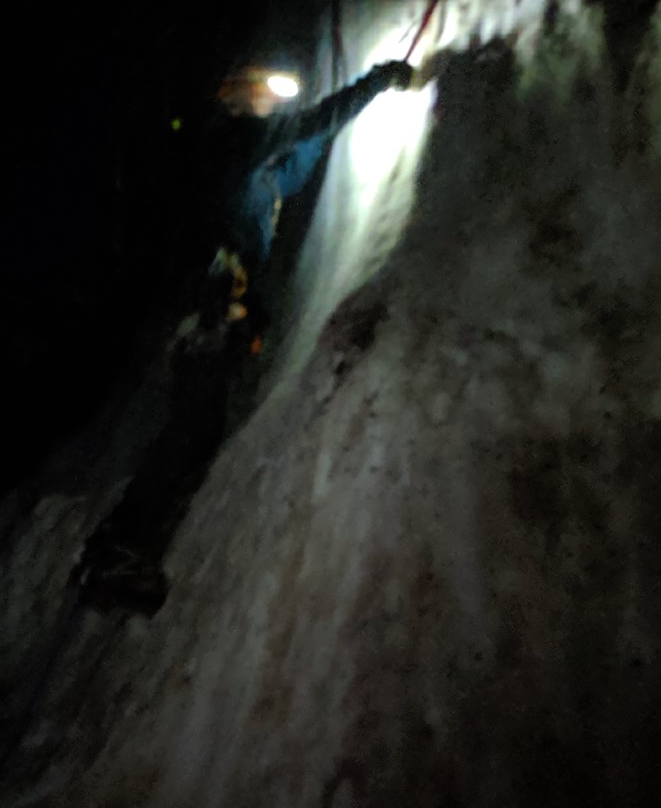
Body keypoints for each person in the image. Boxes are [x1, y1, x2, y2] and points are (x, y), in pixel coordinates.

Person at [71, 58, 415, 614]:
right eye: (260, 94)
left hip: (210, 303)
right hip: (206, 299)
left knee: (198, 425)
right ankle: (117, 547)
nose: (269, 103)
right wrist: (377, 81)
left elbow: (299, 156)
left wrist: (336, 121)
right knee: (192, 426)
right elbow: (307, 125)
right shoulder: (228, 140)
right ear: (233, 97)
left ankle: (122, 547)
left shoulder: (252, 165)